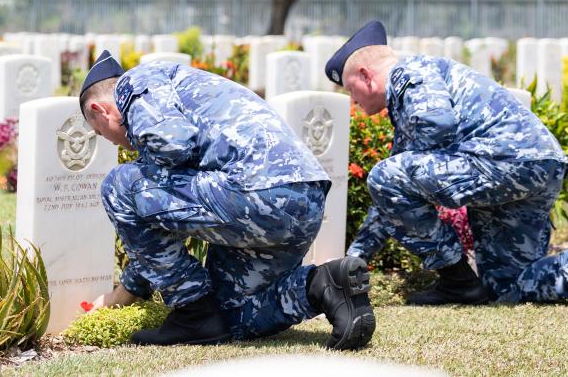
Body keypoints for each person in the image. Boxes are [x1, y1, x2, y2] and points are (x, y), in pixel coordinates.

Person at [324, 21, 568, 317]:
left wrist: (416, 175)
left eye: (351, 89)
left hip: (501, 162)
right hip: (536, 167)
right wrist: (355, 258)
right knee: (508, 284)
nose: (353, 100)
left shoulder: (409, 73)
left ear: (366, 75)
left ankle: (457, 280)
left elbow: (435, 126)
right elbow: (390, 201)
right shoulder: (414, 89)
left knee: (386, 174)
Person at [79, 50, 375, 348]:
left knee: (119, 185)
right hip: (302, 200)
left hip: (254, 191)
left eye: (100, 133)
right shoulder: (175, 87)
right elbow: (163, 213)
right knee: (225, 317)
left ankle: (192, 312)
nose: (112, 141)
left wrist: (126, 292)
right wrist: (128, 289)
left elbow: (173, 144)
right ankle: (324, 285)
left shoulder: (135, 82)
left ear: (101, 110)